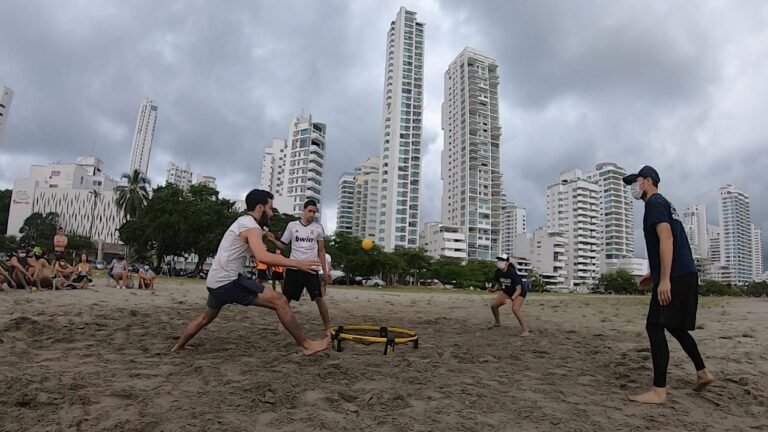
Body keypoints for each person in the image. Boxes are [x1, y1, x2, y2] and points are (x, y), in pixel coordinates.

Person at [171, 189, 329, 356]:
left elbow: (249, 249)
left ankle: (178, 346)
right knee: (280, 301)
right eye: (270, 208)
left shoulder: (242, 222)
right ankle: (307, 345)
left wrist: (263, 245)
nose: (271, 213)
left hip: (215, 280)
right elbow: (262, 257)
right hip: (228, 281)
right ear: (260, 207)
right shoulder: (252, 227)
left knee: (205, 318)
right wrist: (297, 263)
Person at [623, 166, 715, 404]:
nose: (634, 187)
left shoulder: (654, 203)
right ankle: (703, 372)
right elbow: (670, 242)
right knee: (674, 326)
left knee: (654, 326)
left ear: (648, 181)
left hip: (675, 275)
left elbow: (666, 237)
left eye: (636, 181)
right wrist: (654, 274)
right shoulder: (665, 204)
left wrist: (664, 279)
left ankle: (659, 391)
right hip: (685, 272)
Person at [267, 199, 333, 334]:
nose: (312, 214)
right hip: (294, 268)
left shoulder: (318, 228)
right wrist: (273, 240)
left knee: (319, 298)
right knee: (286, 298)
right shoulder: (292, 226)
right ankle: (282, 323)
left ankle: (327, 327)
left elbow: (321, 251)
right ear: (304, 210)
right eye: (310, 211)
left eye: (314, 212)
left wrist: (325, 272)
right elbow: (283, 245)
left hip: (311, 268)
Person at [487, 253, 530, 336]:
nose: (499, 262)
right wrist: (494, 289)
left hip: (520, 292)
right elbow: (499, 282)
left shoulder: (511, 272)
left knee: (515, 308)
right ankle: (497, 323)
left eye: (502, 260)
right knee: (494, 305)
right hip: (507, 291)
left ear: (507, 262)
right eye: (499, 260)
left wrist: (511, 299)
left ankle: (525, 330)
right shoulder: (498, 272)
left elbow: (519, 289)